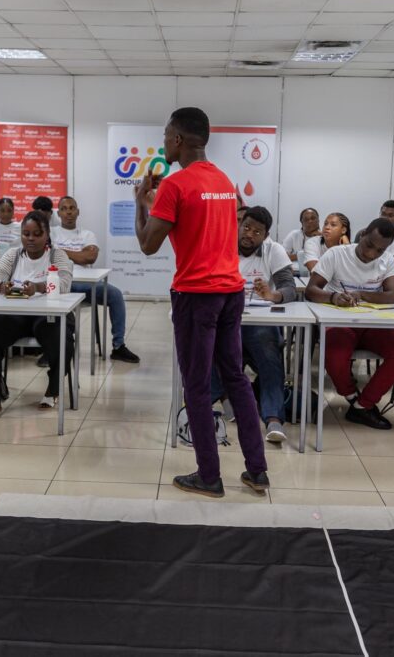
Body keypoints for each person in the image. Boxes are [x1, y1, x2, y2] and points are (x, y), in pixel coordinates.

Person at [134, 106, 269, 498]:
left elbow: (147, 245)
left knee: (195, 385)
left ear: (178, 139)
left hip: (196, 295)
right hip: (231, 292)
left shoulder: (176, 185)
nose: (163, 142)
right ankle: (257, 470)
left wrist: (140, 202)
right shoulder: (224, 182)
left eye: (166, 136)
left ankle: (209, 476)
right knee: (236, 378)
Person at [305, 218, 394, 430]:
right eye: (369, 245)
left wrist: (361, 294)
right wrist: (334, 297)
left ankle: (363, 405)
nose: (372, 253)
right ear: (362, 235)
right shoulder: (336, 254)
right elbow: (311, 290)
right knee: (334, 356)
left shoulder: (387, 260)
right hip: (340, 322)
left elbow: (392, 296)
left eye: (380, 250)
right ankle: (353, 397)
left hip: (374, 324)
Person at [0, 212, 74, 422]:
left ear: (47, 235)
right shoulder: (13, 255)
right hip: (16, 313)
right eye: (26, 234)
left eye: (37, 234)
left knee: (61, 338)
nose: (30, 239)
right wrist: (0, 286)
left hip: (48, 314)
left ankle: (53, 388)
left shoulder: (57, 256)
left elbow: (64, 284)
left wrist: (38, 287)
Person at [213, 206, 295, 444]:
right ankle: (225, 398)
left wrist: (272, 295)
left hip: (260, 319)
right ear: (238, 225)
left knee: (269, 356)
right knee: (207, 344)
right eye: (246, 227)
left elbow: (289, 288)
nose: (249, 234)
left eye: (257, 232)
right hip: (226, 316)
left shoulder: (274, 250)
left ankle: (273, 419)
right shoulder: (221, 244)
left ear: (265, 235)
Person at [53, 195, 140, 363]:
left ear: (78, 212)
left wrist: (59, 252)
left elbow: (90, 257)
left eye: (72, 208)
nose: (68, 212)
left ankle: (118, 346)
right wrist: (79, 254)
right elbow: (49, 255)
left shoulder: (87, 234)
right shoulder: (52, 233)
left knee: (115, 294)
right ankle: (52, 349)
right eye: (64, 209)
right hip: (58, 283)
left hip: (85, 284)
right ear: (59, 213)